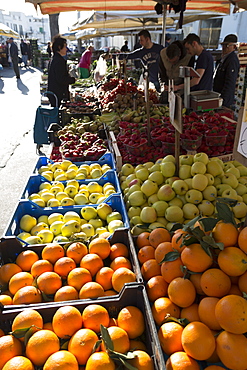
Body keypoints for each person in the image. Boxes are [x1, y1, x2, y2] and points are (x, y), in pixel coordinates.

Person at [47, 35, 76, 107]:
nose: (66, 49)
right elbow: (61, 79)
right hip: (57, 94)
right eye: (65, 46)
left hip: (55, 93)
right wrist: (72, 80)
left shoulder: (56, 58)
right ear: (59, 47)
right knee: (58, 113)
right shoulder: (59, 60)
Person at [213, 34, 240, 108]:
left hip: (224, 99)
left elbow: (230, 82)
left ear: (234, 46)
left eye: (227, 46)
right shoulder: (224, 58)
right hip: (218, 95)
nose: (224, 48)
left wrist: (224, 100)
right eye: (223, 45)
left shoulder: (232, 60)